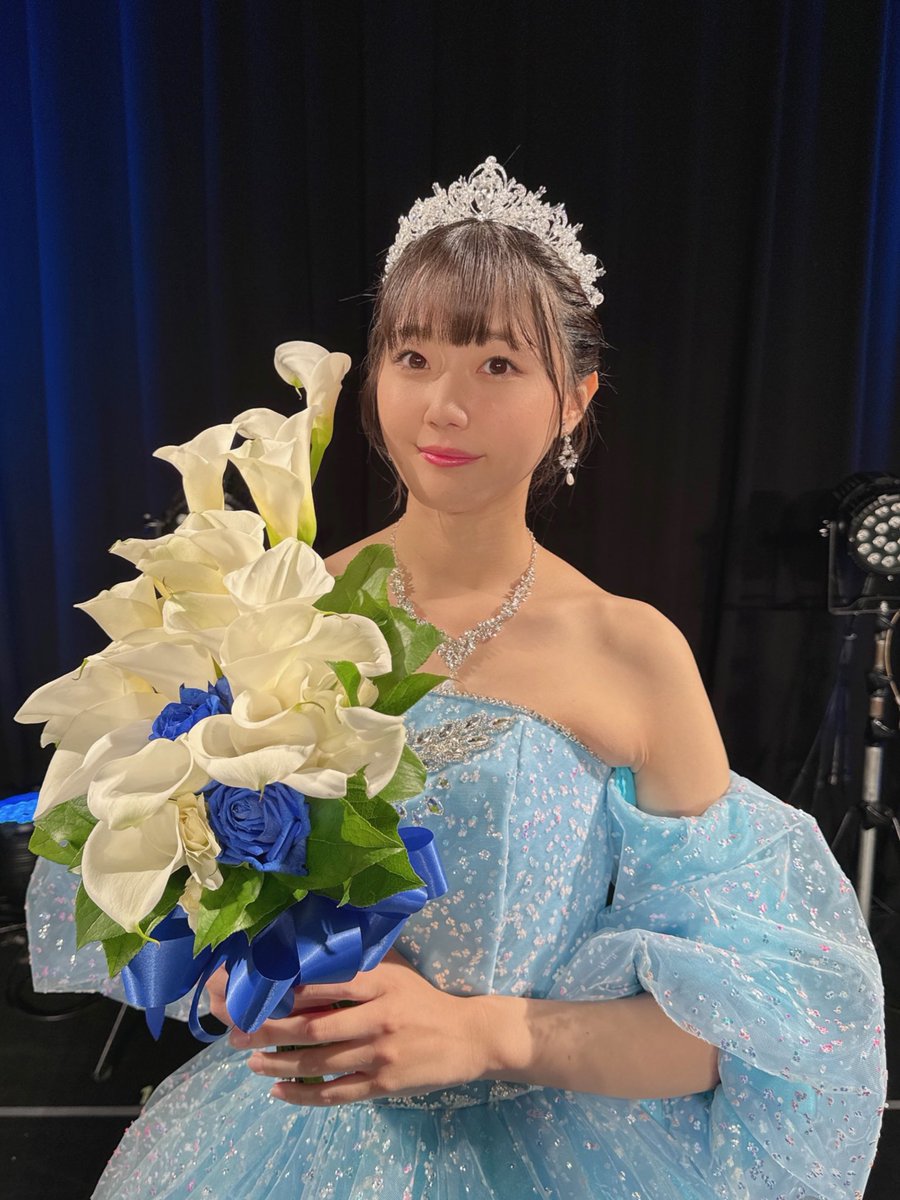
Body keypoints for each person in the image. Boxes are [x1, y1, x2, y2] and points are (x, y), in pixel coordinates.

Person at [26, 155, 886, 1199]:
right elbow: (148, 878)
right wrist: (235, 975)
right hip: (286, 1144)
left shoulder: (633, 652)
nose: (443, 405)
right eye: (414, 355)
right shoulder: (274, 610)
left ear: (576, 401)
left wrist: (488, 1035)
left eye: (497, 364)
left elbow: (746, 1033)